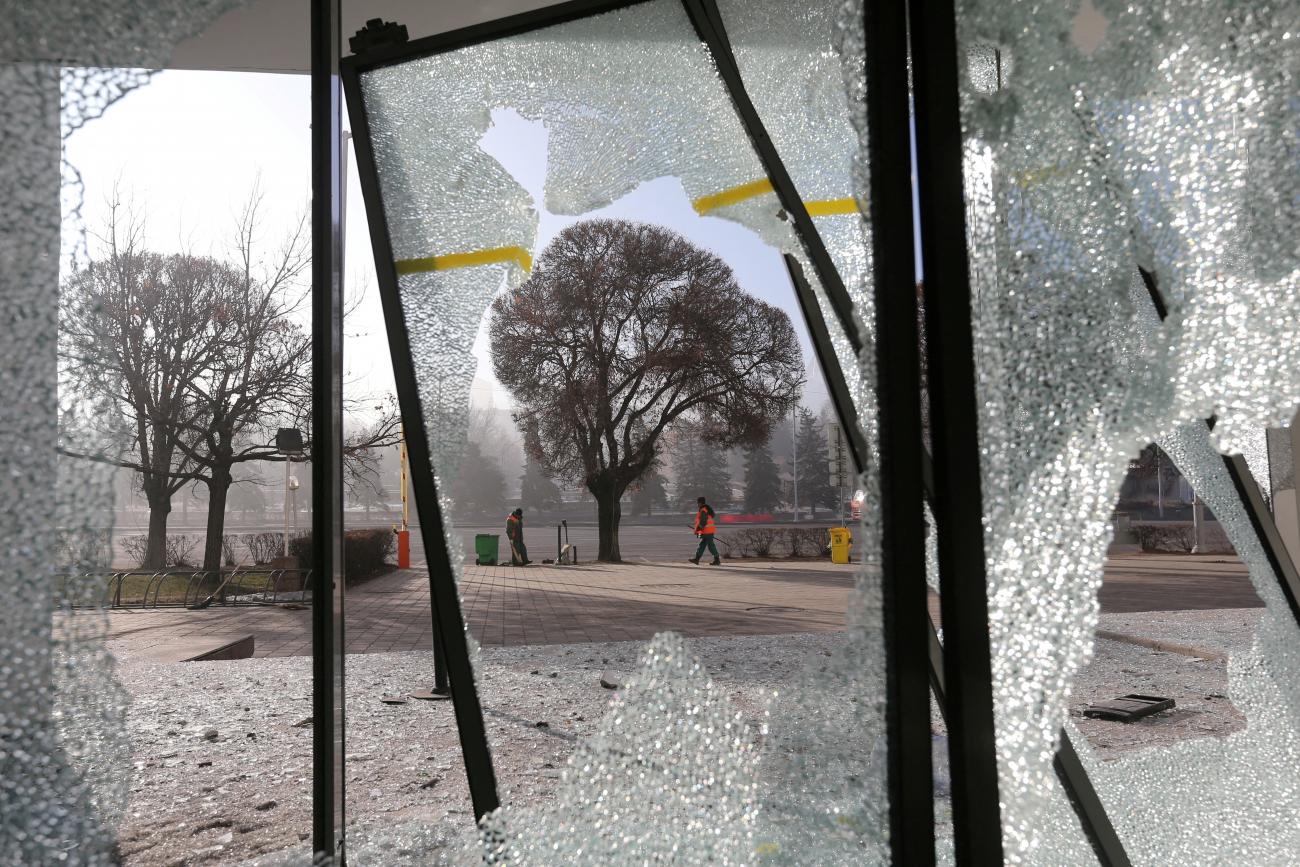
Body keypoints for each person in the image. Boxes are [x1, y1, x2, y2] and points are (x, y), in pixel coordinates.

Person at [689, 496, 721, 565]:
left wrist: (699, 532)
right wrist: (699, 533)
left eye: (698, 503)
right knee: (702, 545)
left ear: (700, 503)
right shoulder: (707, 509)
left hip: (707, 531)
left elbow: (703, 521)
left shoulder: (703, 510)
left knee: (710, 546)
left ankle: (717, 559)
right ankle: (697, 559)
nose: (697, 505)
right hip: (707, 531)